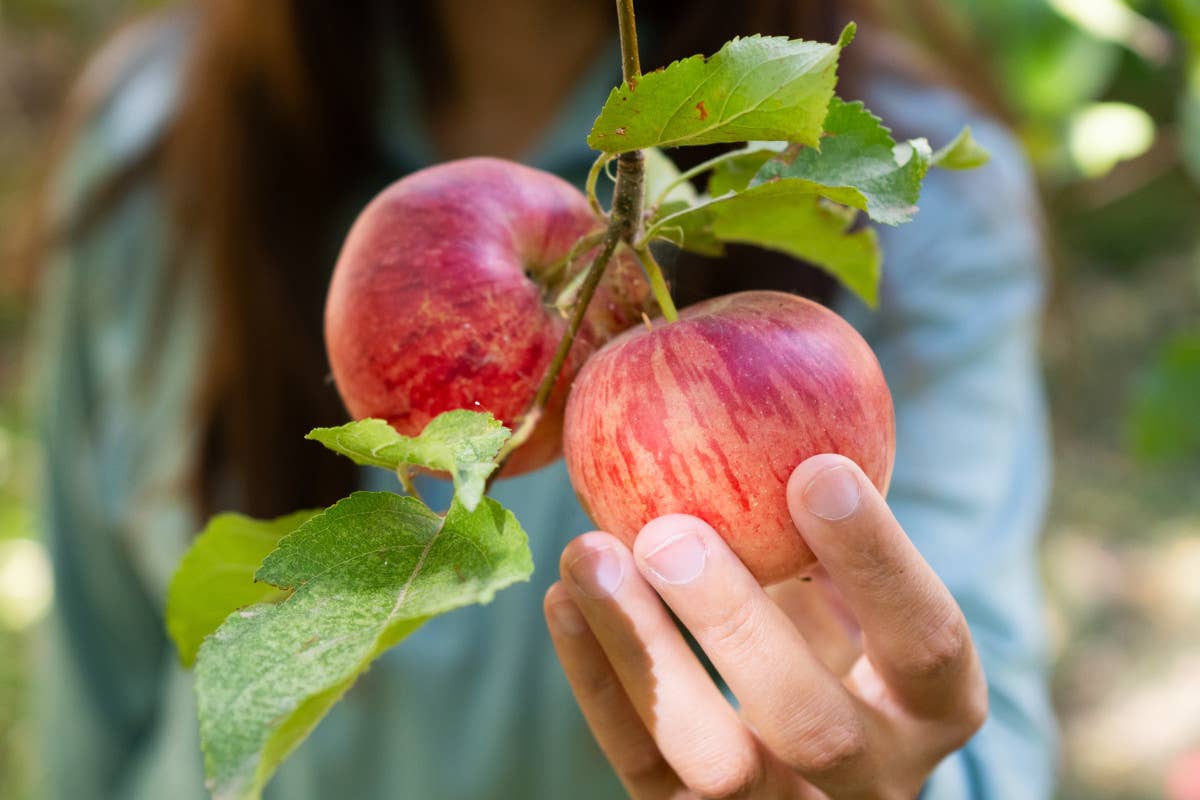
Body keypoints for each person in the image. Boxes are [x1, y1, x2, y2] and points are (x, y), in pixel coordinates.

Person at [31, 1, 1056, 798]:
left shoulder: (901, 186)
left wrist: (891, 768)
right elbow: (93, 692)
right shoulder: (159, 142)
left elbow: (983, 729)